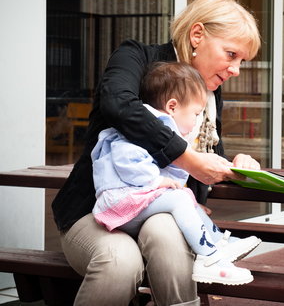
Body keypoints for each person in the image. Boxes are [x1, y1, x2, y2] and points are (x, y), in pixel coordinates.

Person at [51, 0, 262, 306]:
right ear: (197, 35)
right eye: (231, 54)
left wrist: (236, 164)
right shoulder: (135, 56)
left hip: (160, 215)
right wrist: (188, 160)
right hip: (94, 212)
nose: (236, 70)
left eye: (241, 61)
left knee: (166, 230)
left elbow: (204, 158)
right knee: (120, 262)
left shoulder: (210, 95)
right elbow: (119, 105)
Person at [92, 62, 260, 285]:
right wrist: (157, 181)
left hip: (133, 199)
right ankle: (208, 259)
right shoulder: (148, 125)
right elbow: (126, 158)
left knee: (186, 198)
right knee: (180, 198)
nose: (196, 121)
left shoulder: (161, 126)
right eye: (195, 113)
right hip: (120, 201)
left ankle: (218, 242)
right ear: (172, 107)